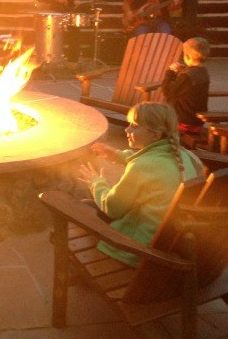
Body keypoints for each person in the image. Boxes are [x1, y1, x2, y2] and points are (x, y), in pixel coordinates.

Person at [78, 102, 205, 267]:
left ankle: (84, 267)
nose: (126, 129)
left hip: (139, 248)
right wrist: (118, 155)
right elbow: (152, 161)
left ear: (154, 135)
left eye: (134, 126)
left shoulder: (142, 166)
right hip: (168, 240)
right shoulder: (184, 155)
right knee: (93, 204)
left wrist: (96, 183)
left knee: (85, 206)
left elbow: (112, 208)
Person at [162, 37, 210, 141]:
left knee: (157, 115)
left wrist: (170, 73)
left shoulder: (187, 76)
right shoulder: (203, 72)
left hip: (184, 120)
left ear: (186, 56)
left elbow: (167, 91)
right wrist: (181, 70)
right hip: (196, 119)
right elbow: (185, 84)